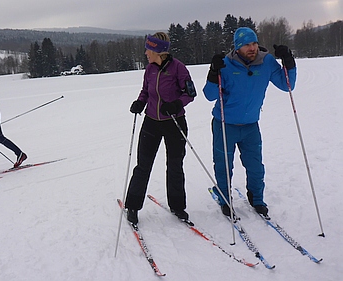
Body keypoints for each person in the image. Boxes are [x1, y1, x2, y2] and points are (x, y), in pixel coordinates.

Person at [203, 27, 297, 217]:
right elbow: (209, 95)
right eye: (246, 44)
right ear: (237, 47)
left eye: (254, 43)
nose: (252, 48)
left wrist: (289, 61)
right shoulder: (225, 64)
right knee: (223, 166)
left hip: (250, 126)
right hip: (224, 125)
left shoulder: (267, 62)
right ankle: (224, 199)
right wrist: (213, 72)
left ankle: (257, 199)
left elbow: (287, 85)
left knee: (255, 166)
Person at [125, 32, 196, 224]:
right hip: (151, 122)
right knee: (143, 166)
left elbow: (190, 93)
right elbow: (145, 91)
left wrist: (176, 104)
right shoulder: (149, 69)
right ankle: (132, 206)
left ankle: (178, 206)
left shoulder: (178, 68)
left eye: (148, 49)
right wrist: (140, 103)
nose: (146, 53)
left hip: (174, 122)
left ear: (157, 50)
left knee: (174, 166)